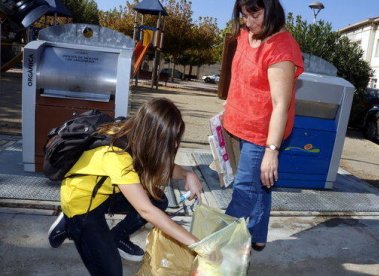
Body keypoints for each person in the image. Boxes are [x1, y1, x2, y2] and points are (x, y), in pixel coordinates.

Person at [47, 98, 203, 276]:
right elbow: (146, 211)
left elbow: (160, 166)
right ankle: (70, 222)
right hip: (82, 206)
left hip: (104, 192)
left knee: (158, 199)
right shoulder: (117, 155)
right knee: (111, 272)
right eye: (171, 140)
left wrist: (187, 174)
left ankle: (116, 236)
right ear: (155, 136)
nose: (174, 145)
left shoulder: (134, 131)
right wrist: (198, 244)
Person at [223, 0, 304, 251]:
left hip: (263, 132)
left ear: (271, 8)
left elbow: (281, 105)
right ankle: (258, 235)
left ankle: (218, 244)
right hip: (238, 123)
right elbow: (240, 79)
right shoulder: (245, 33)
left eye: (254, 13)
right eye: (244, 15)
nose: (248, 21)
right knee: (261, 183)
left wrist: (271, 150)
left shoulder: (282, 48)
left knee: (245, 189)